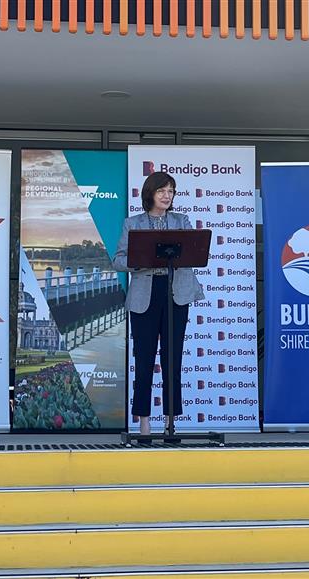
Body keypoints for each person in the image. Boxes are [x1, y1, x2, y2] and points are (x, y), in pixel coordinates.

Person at [113, 171, 204, 437]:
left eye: (171, 191)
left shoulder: (181, 221)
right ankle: (143, 422)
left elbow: (194, 253)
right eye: (162, 191)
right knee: (143, 359)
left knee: (172, 358)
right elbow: (118, 260)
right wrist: (141, 259)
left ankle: (170, 421)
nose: (167, 196)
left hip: (176, 292)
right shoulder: (133, 223)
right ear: (150, 193)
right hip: (145, 294)